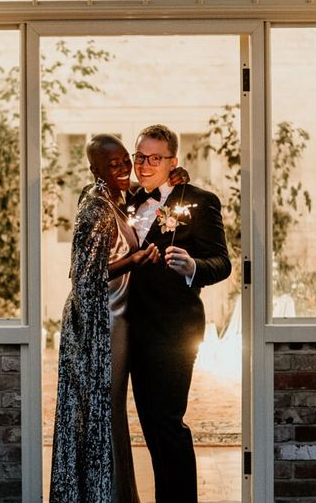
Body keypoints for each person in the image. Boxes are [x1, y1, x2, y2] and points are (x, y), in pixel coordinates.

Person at [50, 134, 159, 503]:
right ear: (94, 168)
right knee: (101, 413)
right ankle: (101, 497)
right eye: (113, 165)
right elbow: (82, 275)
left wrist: (177, 179)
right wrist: (134, 260)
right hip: (101, 324)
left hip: (120, 319)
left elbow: (146, 202)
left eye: (125, 161)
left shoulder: (116, 199)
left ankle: (117, 495)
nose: (125, 169)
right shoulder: (95, 209)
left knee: (109, 413)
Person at [128, 124, 232, 503]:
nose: (145, 164)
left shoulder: (200, 201)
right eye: (140, 156)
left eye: (155, 157)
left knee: (168, 423)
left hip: (174, 327)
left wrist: (192, 268)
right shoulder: (131, 201)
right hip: (132, 328)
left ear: (172, 161)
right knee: (151, 427)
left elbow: (222, 262)